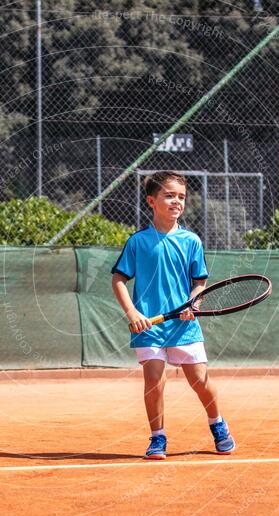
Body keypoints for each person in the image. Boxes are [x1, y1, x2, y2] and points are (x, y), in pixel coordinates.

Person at [111, 170, 235, 460]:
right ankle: (157, 438)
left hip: (183, 327)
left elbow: (199, 282)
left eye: (181, 196)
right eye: (169, 195)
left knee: (200, 381)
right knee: (154, 380)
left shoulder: (191, 241)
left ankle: (217, 423)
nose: (176, 201)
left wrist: (193, 305)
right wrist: (133, 313)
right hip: (149, 327)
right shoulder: (138, 242)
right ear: (151, 201)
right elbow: (118, 279)